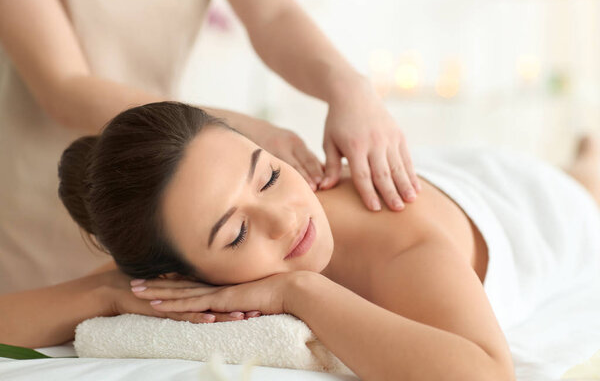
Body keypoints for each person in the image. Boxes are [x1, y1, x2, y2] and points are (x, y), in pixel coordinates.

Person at [5, 102, 600, 380]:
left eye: (266, 174)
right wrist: (107, 295)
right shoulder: (181, 247)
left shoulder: (405, 250)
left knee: (585, 185)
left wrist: (300, 292)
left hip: (530, 205)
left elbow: (486, 377)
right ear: (178, 276)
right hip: (451, 183)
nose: (284, 220)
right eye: (236, 233)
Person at [0, 0, 420, 295]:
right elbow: (64, 86)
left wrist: (349, 87)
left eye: (269, 177)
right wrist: (230, 130)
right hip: (42, 198)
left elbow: (273, 14)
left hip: (190, 199)